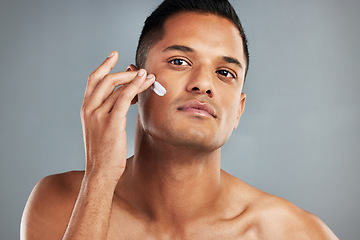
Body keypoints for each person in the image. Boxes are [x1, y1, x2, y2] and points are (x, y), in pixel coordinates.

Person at [21, 0, 338, 239]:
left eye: (224, 73)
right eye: (179, 61)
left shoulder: (294, 233)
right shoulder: (58, 202)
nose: (204, 84)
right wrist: (100, 178)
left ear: (239, 110)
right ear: (134, 85)